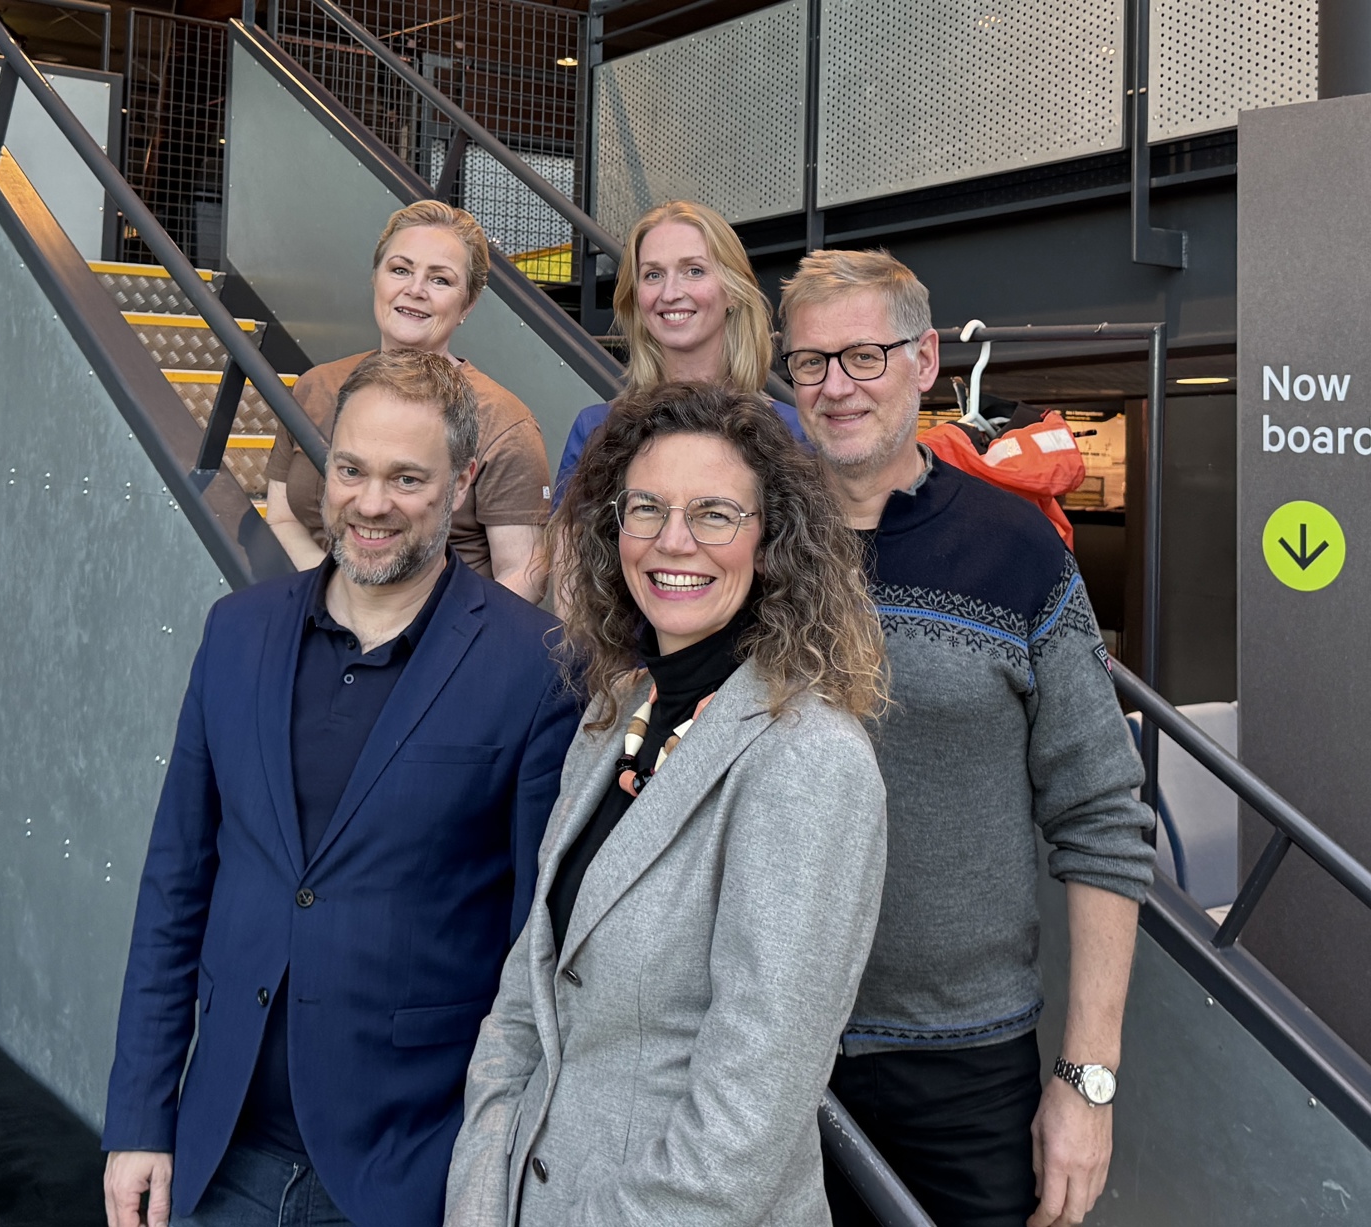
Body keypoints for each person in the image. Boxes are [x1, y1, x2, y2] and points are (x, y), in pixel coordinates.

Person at [101, 351, 580, 1227]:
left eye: (408, 477)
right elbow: (176, 886)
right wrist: (140, 1117)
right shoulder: (237, 632)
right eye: (351, 469)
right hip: (220, 1152)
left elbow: (532, 940)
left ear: (463, 481)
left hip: (408, 1167)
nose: (370, 503)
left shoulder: (536, 664)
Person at [445, 383, 888, 1227]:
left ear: (771, 540)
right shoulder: (617, 712)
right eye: (645, 508)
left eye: (714, 513)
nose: (672, 541)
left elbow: (747, 1109)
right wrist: (477, 1195)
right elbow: (525, 994)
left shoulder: (808, 758)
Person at [777, 250, 1155, 1227]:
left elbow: (1103, 819)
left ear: (924, 360)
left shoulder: (1017, 550)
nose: (836, 387)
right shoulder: (750, 546)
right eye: (810, 363)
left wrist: (1086, 1083)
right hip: (769, 1042)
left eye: (863, 356)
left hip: (964, 1064)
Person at [266, 200, 551, 601]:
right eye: (400, 270)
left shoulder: (503, 421)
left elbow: (526, 572)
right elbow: (280, 516)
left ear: (467, 304)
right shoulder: (316, 388)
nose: (414, 290)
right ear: (375, 280)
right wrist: (337, 600)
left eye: (440, 280)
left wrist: (437, 642)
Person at [550, 201, 808, 505]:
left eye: (694, 271)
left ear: (734, 291)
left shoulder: (793, 432)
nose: (670, 293)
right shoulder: (595, 429)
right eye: (653, 275)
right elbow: (568, 550)